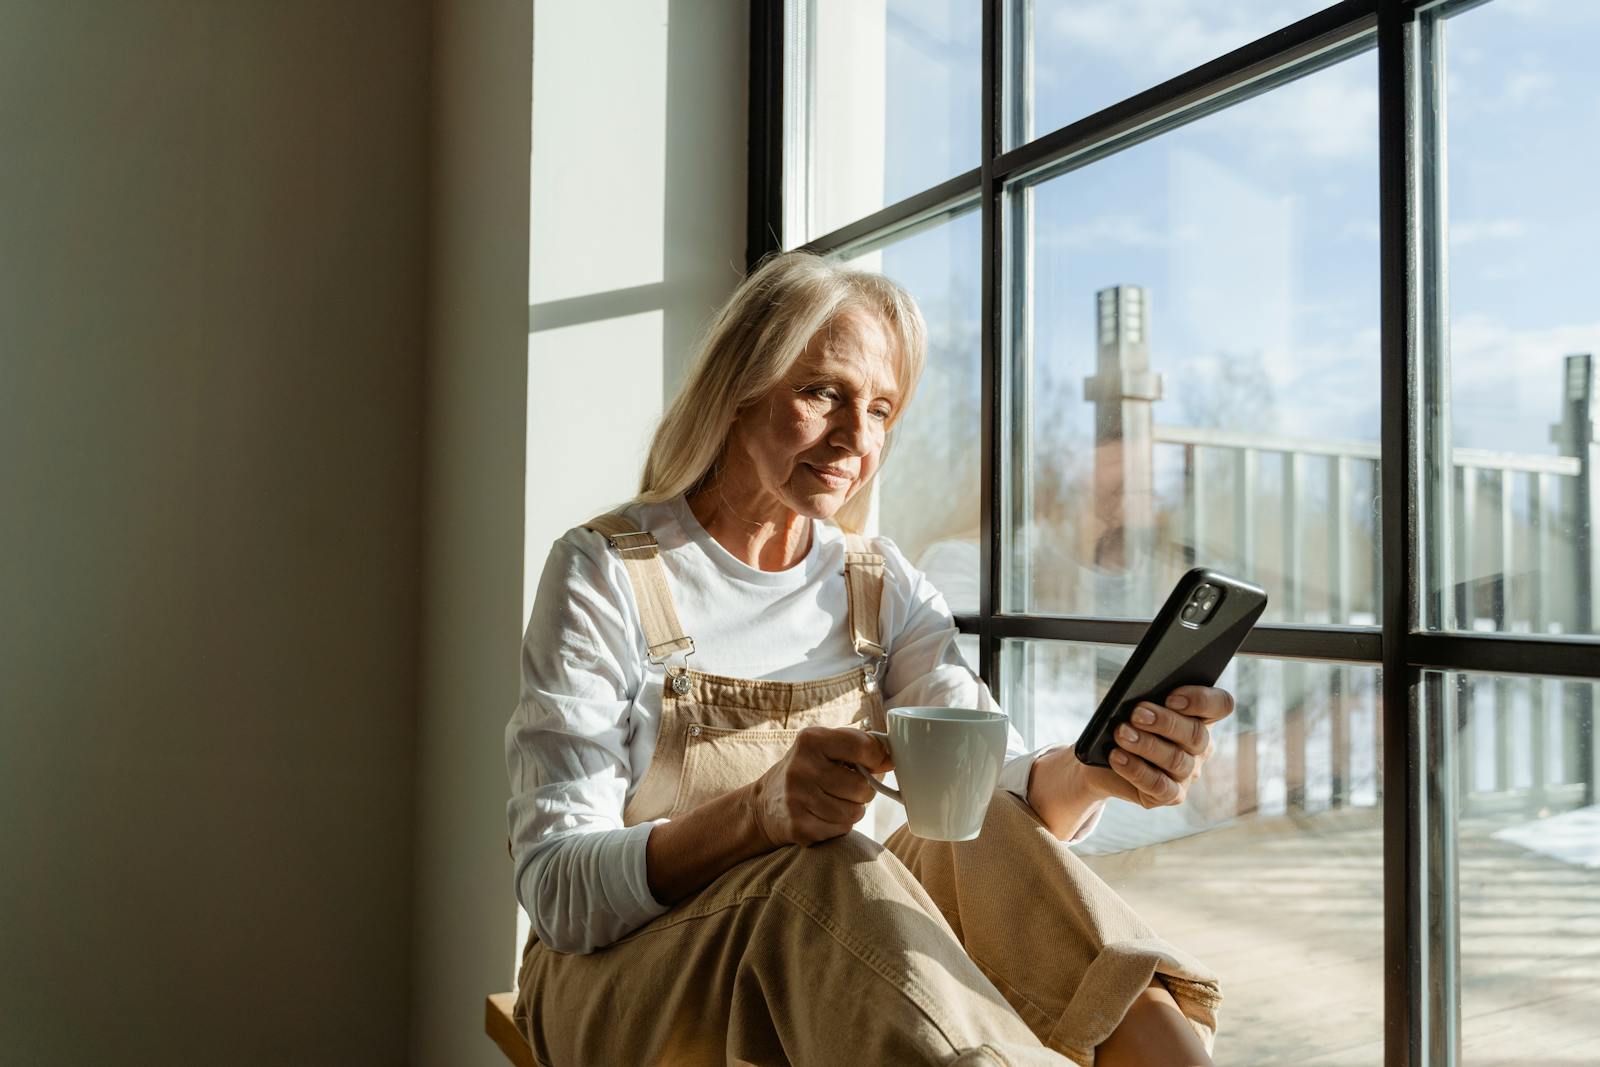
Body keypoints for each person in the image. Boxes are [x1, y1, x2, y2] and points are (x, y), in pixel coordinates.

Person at [505, 251, 1231, 1066]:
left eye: (881, 408)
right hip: (617, 981)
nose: (857, 438)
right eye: (822, 393)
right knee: (822, 868)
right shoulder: (607, 569)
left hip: (803, 967)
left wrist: (1100, 769)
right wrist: (757, 814)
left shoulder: (877, 581)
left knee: (977, 827)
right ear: (738, 388)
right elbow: (559, 890)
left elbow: (994, 786)